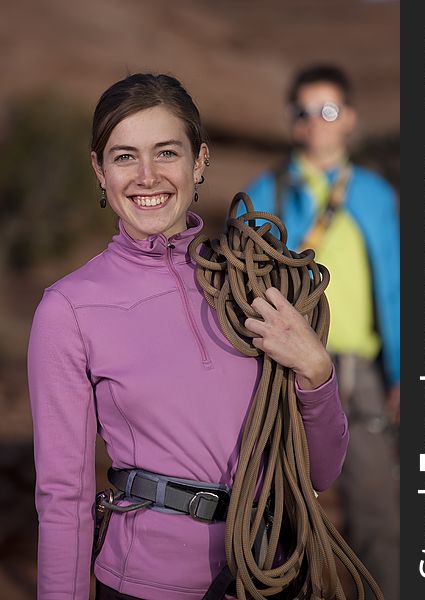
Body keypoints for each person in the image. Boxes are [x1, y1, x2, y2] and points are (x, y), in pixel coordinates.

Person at [27, 73, 349, 600]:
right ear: (99, 170)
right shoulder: (68, 309)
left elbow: (323, 470)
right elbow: (64, 497)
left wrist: (316, 373)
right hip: (144, 586)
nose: (147, 176)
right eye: (125, 156)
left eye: (167, 153)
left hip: (269, 575)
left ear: (199, 161)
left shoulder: (253, 286)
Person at [245, 65, 400, 600]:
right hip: (283, 373)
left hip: (362, 373)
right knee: (279, 511)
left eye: (328, 110)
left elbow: (399, 286)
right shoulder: (266, 190)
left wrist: (403, 370)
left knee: (377, 514)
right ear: (293, 123)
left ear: (350, 119)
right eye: (304, 112)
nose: (316, 123)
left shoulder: (378, 196)